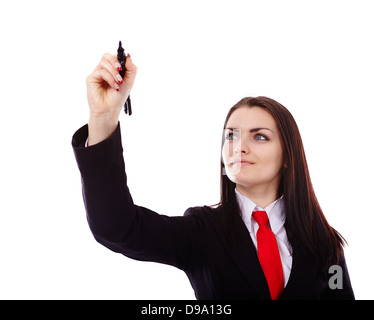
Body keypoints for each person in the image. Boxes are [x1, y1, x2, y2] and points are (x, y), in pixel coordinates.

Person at [72, 51, 354, 300]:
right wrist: (103, 118)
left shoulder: (326, 248)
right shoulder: (202, 231)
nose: (239, 146)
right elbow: (117, 227)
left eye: (259, 136)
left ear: (288, 158)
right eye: (231, 135)